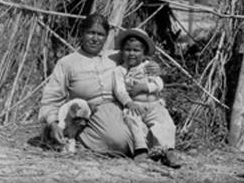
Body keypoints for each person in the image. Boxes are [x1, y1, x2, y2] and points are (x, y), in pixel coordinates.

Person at [38, 13, 160, 157]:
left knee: (148, 130)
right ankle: (78, 135)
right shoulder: (67, 63)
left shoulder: (115, 56)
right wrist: (53, 123)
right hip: (90, 111)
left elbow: (138, 58)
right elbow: (51, 98)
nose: (95, 39)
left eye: (100, 34)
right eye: (91, 33)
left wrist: (153, 67)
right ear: (82, 33)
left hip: (120, 107)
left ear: (107, 36)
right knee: (120, 140)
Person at [113, 28, 181, 168]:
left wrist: (145, 87)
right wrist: (129, 103)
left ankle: (168, 151)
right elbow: (119, 90)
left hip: (153, 104)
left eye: (136, 50)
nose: (132, 54)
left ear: (144, 53)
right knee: (132, 120)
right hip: (135, 104)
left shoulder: (148, 67)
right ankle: (141, 149)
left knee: (165, 123)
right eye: (127, 49)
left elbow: (159, 83)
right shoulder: (119, 71)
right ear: (122, 51)